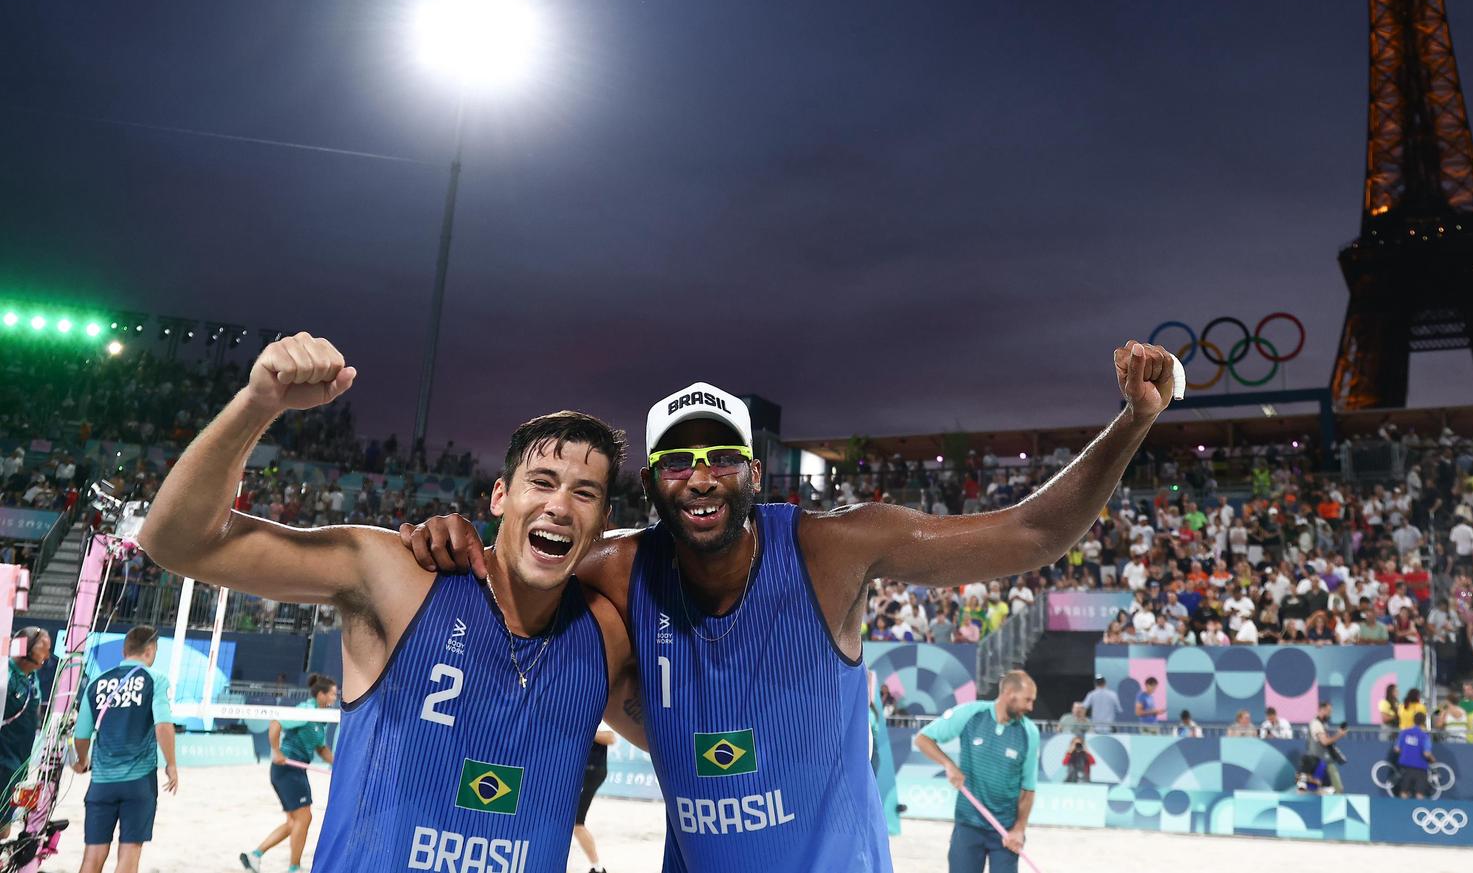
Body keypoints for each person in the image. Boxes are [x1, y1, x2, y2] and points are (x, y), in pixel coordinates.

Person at [404, 342, 1182, 871]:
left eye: (721, 457)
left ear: (755, 470)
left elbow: (1033, 531)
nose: (701, 476)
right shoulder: (618, 568)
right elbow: (516, 579)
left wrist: (1135, 419)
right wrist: (453, 539)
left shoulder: (832, 549)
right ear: (653, 482)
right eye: (679, 459)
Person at [139, 334, 643, 873]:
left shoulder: (605, 633)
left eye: (584, 493)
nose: (560, 506)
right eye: (541, 482)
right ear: (499, 496)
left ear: (604, 519)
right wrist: (257, 405)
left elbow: (694, 744)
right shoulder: (399, 578)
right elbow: (176, 541)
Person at [72, 625, 178, 873]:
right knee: (129, 853)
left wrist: (82, 760)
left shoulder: (96, 683)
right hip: (138, 781)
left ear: (124, 650)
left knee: (93, 855)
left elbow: (81, 735)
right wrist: (171, 764)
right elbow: (163, 725)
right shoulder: (155, 680)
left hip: (101, 781)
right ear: (150, 651)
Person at [915, 672, 1041, 873]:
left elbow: (1028, 789)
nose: (1030, 707)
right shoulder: (971, 714)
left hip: (1005, 831)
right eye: (1027, 700)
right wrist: (949, 764)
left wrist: (1019, 829)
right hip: (968, 824)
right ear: (1009, 693)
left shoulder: (1029, 732)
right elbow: (923, 739)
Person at [240, 673, 339, 872]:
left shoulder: (320, 717)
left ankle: (254, 856)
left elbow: (321, 749)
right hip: (287, 769)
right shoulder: (306, 711)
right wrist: (275, 750)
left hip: (296, 770)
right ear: (321, 695)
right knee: (304, 818)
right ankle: (294, 868)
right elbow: (276, 723)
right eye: (332, 695)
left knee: (295, 821)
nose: (334, 699)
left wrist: (339, 766)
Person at [0, 627, 50, 841]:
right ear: (27, 649)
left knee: (4, 830)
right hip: (3, 761)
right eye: (45, 648)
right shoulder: (5, 676)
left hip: (18, 765)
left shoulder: (31, 678)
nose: (48, 654)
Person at [573, 724, 616, 873]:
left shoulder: (595, 714)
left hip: (591, 771)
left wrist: (584, 731)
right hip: (582, 771)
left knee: (577, 823)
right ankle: (597, 866)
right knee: (572, 822)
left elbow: (611, 738)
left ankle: (598, 867)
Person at [1304, 701, 1347, 794]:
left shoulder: (1323, 724)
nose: (1330, 714)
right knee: (1332, 790)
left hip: (1324, 761)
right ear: (1322, 710)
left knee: (1331, 790)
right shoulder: (1316, 724)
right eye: (1328, 711)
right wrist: (1339, 735)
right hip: (1319, 763)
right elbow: (1324, 741)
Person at [1391, 711, 1435, 798]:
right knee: (1419, 794)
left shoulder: (1404, 733)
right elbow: (1426, 753)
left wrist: (1405, 754)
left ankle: (1402, 810)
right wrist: (1433, 759)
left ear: (1413, 720)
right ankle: (1419, 811)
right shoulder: (1424, 736)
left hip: (1405, 767)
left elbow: (1396, 749)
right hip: (1420, 768)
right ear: (1424, 722)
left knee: (1403, 792)